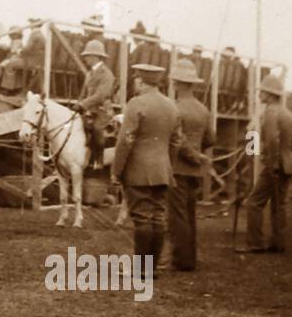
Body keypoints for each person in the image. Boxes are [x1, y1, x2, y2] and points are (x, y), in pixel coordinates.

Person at [112, 63, 185, 278]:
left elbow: (126, 141)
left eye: (136, 79)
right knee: (158, 216)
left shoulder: (136, 104)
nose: (135, 82)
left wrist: (117, 171)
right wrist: (167, 165)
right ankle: (151, 269)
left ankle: (139, 270)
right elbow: (176, 141)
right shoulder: (172, 106)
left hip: (138, 171)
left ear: (141, 81)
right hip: (163, 170)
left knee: (142, 218)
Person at [238, 75, 292, 253]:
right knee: (279, 204)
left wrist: (271, 164)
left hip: (275, 164)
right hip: (287, 163)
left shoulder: (271, 112)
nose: (259, 94)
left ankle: (254, 243)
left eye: (262, 91)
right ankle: (278, 242)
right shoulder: (287, 113)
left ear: (270, 94)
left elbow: (272, 140)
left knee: (254, 203)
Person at [167, 59, 213, 271]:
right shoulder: (203, 110)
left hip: (177, 167)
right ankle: (190, 258)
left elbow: (176, 139)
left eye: (174, 82)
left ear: (178, 84)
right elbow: (211, 140)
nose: (173, 86)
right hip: (196, 170)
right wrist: (198, 155)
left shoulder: (174, 108)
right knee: (190, 213)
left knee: (177, 215)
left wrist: (191, 154)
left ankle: (181, 259)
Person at [70, 39, 115, 168]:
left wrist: (83, 104)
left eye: (88, 56)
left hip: (102, 109)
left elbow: (101, 95)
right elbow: (84, 93)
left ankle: (99, 160)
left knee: (97, 129)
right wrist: (78, 104)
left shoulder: (107, 74)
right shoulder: (89, 74)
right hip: (89, 109)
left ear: (96, 57)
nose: (85, 59)